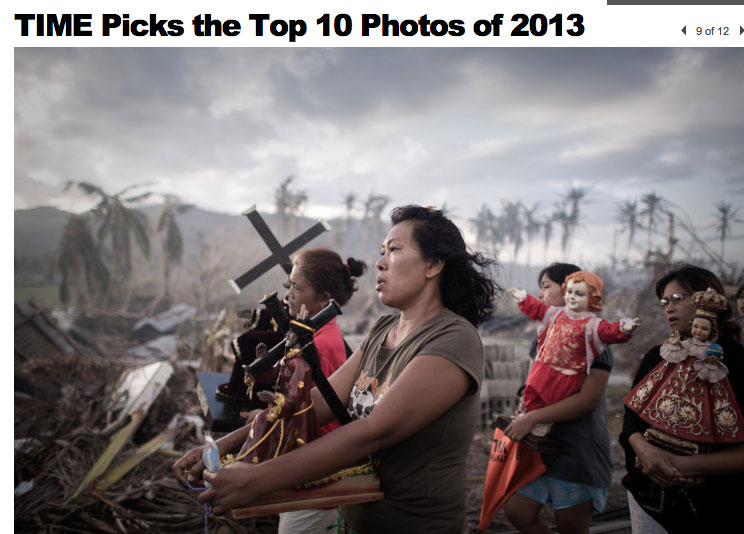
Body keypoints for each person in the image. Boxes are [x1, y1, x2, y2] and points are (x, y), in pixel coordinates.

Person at [173, 205, 500, 533]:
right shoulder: (381, 330)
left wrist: (257, 479)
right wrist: (224, 445)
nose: (380, 262)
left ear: (433, 264)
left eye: (395, 250)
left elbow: (373, 431)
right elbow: (318, 405)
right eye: (381, 251)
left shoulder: (454, 339)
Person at [179, 248, 367, 534]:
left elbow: (309, 414)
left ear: (325, 299)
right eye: (288, 286)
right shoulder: (311, 334)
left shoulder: (321, 345)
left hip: (315, 476)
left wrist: (269, 414)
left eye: (296, 287)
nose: (288, 294)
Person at [501, 270, 633, 534]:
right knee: (517, 512)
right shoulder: (547, 331)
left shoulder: (592, 337)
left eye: (546, 286)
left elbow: (587, 400)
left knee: (571, 525)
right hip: (538, 446)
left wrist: (531, 418)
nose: (540, 294)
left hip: (576, 449)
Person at [620, 264, 744, 533]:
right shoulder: (659, 355)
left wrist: (681, 465)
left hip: (716, 508)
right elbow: (631, 419)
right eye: (664, 302)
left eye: (678, 299)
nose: (668, 308)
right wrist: (644, 449)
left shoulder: (736, 362)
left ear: (707, 301)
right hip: (646, 500)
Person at [507, 271, 640, 436]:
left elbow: (609, 331)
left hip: (566, 373)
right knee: (533, 392)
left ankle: (540, 424)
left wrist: (623, 328)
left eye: (579, 294)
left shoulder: (592, 325)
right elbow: (537, 309)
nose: (572, 297)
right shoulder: (554, 314)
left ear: (592, 298)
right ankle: (526, 416)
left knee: (553, 399)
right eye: (569, 292)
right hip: (543, 367)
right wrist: (524, 299)